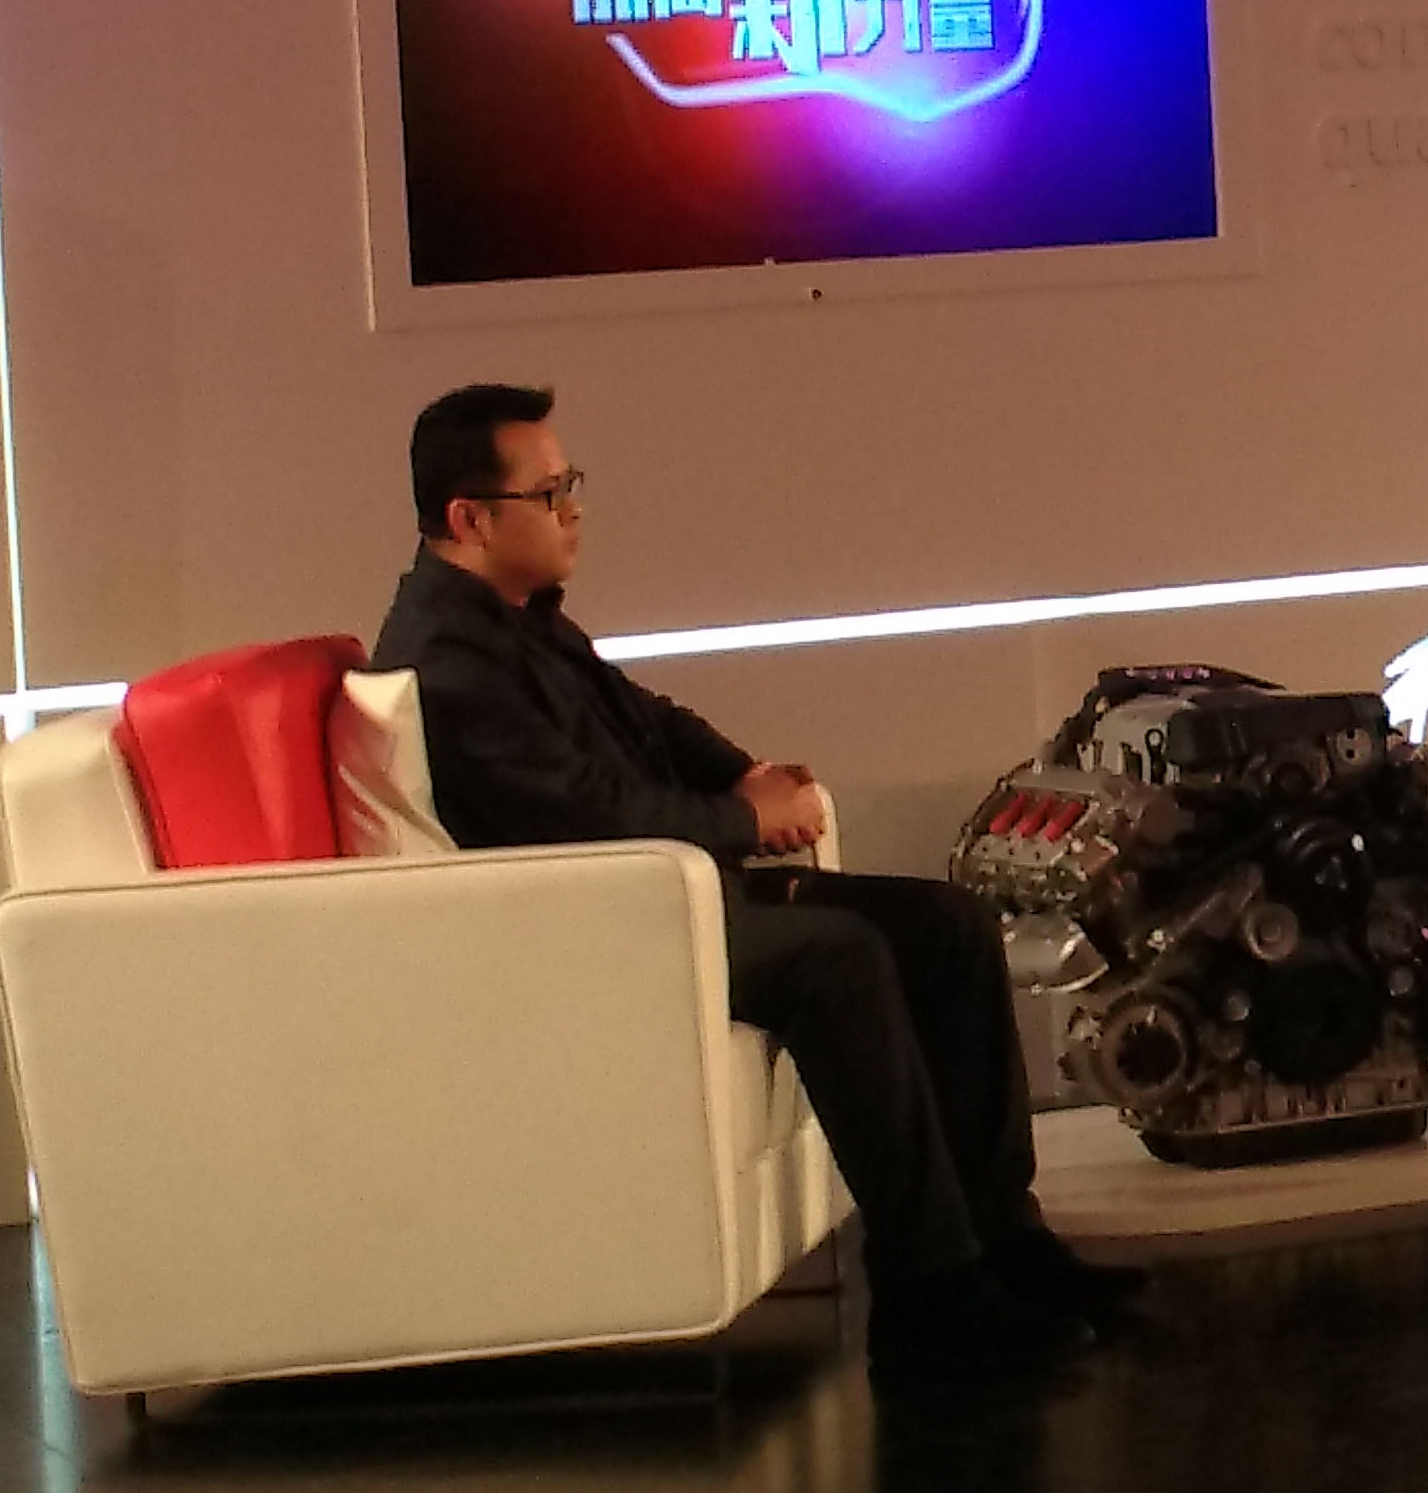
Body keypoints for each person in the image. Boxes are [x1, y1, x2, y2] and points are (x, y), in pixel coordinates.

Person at [372, 383, 1140, 1385]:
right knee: (837, 957)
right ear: (470, 518)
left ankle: (1005, 1238)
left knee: (948, 926)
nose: (574, 510)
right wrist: (746, 821)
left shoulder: (517, 621)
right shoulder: (449, 659)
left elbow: (645, 719)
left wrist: (747, 777)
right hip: (593, 925)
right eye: (549, 492)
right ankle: (931, 1291)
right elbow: (587, 813)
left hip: (662, 894)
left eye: (571, 484)